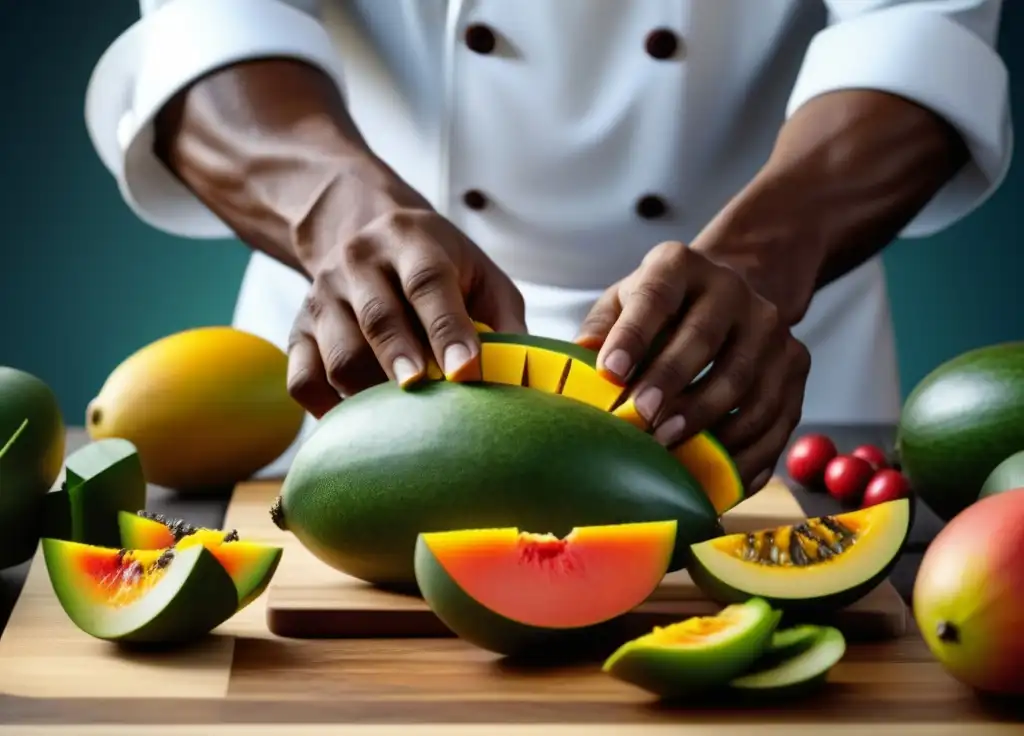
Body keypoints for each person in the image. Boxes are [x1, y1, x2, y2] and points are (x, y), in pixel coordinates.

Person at [84, 0, 1012, 492]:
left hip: (747, 374)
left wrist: (761, 264)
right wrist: (339, 211)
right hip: (369, 355)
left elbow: (917, 32)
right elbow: (202, 29)